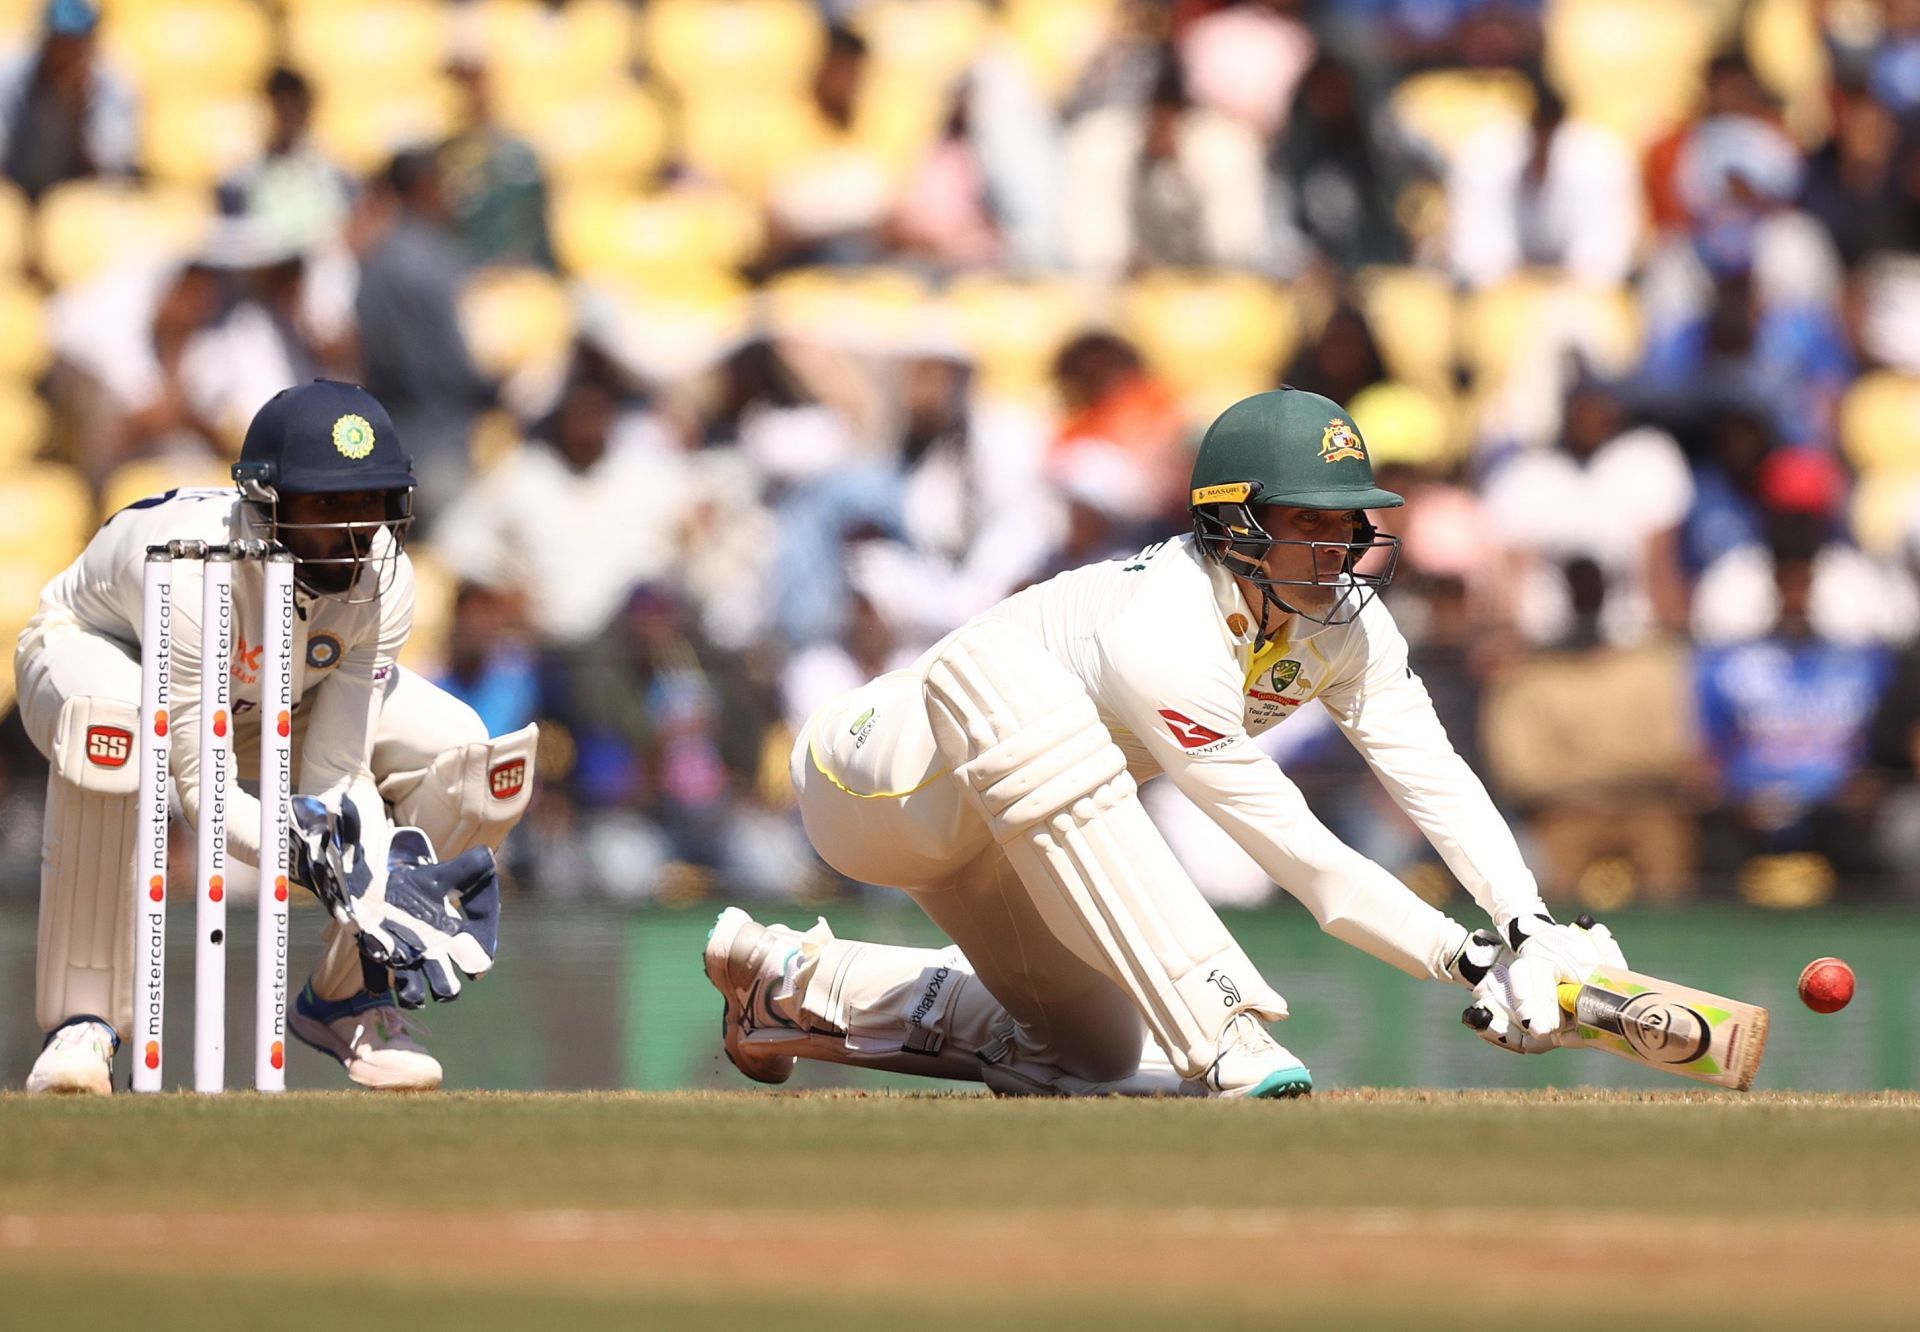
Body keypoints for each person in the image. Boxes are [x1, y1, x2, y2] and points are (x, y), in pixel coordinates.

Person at [702, 389, 1625, 1097]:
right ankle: (1223, 1033)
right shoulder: (1163, 627)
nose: (1336, 551)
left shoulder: (1350, 631)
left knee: (1088, 1055)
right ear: (1235, 523)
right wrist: (1462, 958)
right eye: (1308, 522)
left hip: (1016, 829)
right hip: (883, 774)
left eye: (1346, 524)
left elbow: (1436, 776)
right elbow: (1291, 847)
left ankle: (796, 984)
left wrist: (1525, 924)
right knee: (1022, 682)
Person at [14, 380, 537, 1094]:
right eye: (328, 504)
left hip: (276, 697)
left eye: (372, 500)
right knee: (117, 733)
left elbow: (331, 775)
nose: (358, 530)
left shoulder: (385, 579)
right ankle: (84, 1022)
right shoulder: (197, 571)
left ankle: (349, 997)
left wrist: (365, 866)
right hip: (99, 656)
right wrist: (329, 861)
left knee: (468, 756)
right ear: (268, 505)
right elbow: (203, 791)